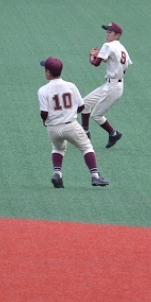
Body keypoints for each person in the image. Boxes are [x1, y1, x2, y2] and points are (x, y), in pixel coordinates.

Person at [37, 56, 110, 188]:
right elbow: (81, 106)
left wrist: (44, 120)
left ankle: (57, 174)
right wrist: (70, 113)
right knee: (86, 147)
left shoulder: (43, 90)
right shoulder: (71, 86)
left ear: (48, 72)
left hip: (53, 128)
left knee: (58, 149)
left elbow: (44, 113)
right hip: (70, 125)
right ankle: (95, 176)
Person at [81, 22, 132, 148]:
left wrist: (92, 56)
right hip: (114, 84)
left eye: (110, 32)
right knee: (84, 104)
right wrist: (101, 56)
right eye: (107, 31)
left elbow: (96, 63)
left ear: (117, 35)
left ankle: (114, 133)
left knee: (96, 115)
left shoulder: (108, 45)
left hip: (112, 87)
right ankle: (85, 133)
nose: (107, 34)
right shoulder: (122, 48)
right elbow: (118, 64)